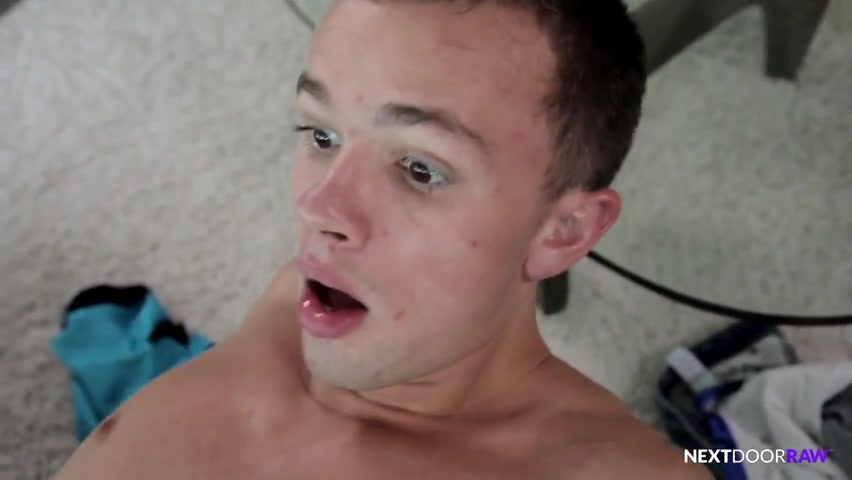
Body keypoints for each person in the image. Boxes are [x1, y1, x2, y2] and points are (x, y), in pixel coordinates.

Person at [54, 0, 713, 478]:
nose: (319, 206)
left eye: (420, 169)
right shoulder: (325, 288)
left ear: (562, 232)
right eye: (322, 134)